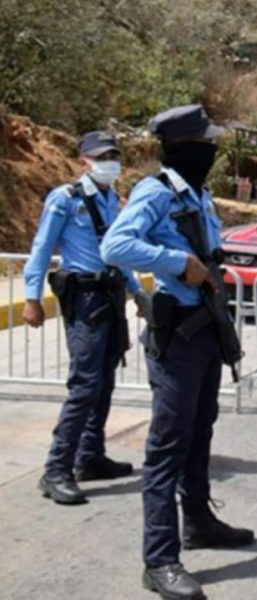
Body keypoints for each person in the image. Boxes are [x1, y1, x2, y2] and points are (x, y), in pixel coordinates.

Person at [101, 105, 253, 600]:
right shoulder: (155, 192)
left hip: (207, 329)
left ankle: (200, 522)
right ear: (186, 147)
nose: (213, 150)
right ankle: (160, 557)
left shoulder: (199, 194)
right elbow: (115, 246)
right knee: (167, 445)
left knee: (200, 431)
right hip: (179, 336)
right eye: (206, 143)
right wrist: (176, 261)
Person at [23, 132, 141, 505]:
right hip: (85, 297)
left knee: (105, 379)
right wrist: (31, 297)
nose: (109, 162)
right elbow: (42, 247)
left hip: (110, 292)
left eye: (113, 155)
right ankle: (56, 469)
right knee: (85, 384)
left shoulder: (111, 200)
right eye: (101, 156)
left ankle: (90, 456)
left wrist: (138, 292)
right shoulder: (66, 198)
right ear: (83, 161)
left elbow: (119, 253)